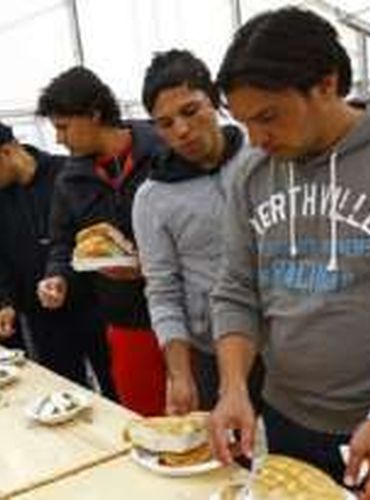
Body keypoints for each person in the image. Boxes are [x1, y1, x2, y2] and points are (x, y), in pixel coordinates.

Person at [207, 8, 370, 500]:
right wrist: (232, 387)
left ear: (326, 83)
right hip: (290, 422)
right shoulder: (252, 174)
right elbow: (236, 289)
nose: (255, 139)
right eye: (244, 121)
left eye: (268, 116)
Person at [132, 49, 262, 415]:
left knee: (298, 462)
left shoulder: (262, 157)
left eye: (190, 111)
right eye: (165, 123)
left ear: (216, 101)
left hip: (288, 341)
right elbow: (162, 288)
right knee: (226, 457)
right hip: (212, 349)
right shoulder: (151, 198)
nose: (182, 131)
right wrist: (179, 374)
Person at [36, 66, 166, 415]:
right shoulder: (70, 180)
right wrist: (57, 276)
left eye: (63, 127)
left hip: (188, 315)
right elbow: (64, 242)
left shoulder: (162, 151)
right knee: (145, 420)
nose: (59, 139)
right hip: (126, 319)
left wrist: (149, 265)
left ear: (94, 113)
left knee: (208, 422)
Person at [0, 119, 114, 394]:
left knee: (115, 385)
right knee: (65, 393)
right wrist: (5, 302)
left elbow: (97, 235)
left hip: (93, 303)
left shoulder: (66, 174)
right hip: (43, 318)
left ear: (7, 151)